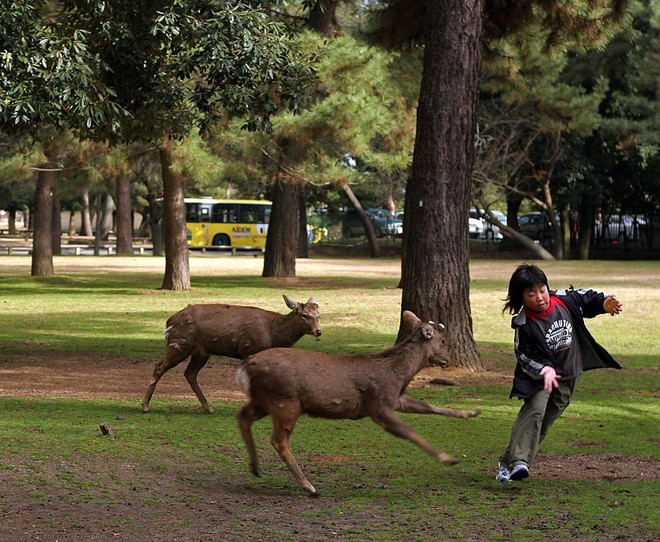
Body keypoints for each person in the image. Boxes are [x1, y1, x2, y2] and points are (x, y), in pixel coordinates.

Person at [495, 263, 623, 482]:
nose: (539, 297)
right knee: (534, 412)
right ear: (522, 298)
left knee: (544, 422)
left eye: (542, 290)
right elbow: (523, 355)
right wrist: (544, 369)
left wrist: (605, 303)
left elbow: (587, 298)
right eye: (531, 293)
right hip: (540, 379)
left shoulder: (564, 300)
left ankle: (507, 462)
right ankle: (520, 464)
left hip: (568, 375)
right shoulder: (524, 324)